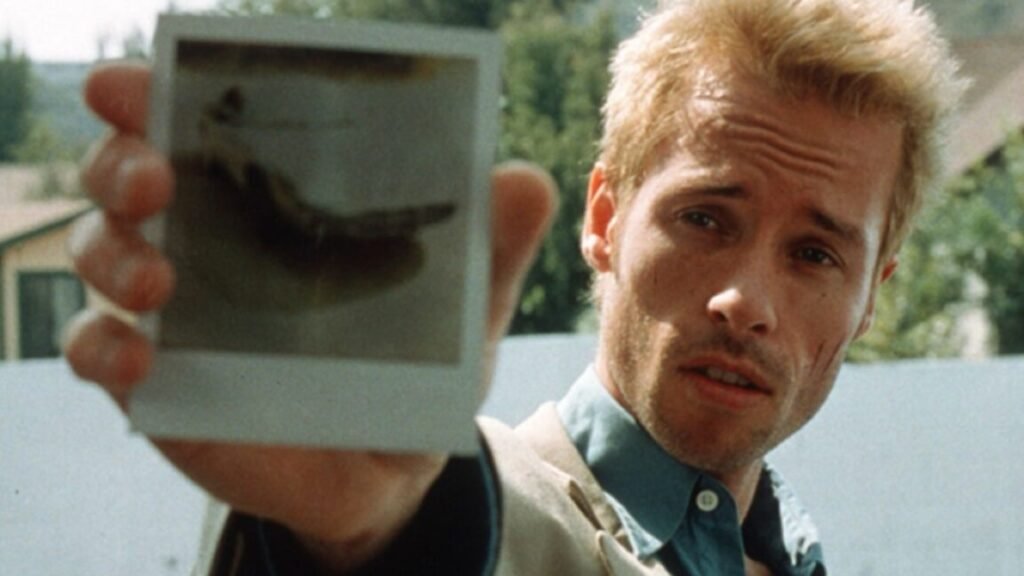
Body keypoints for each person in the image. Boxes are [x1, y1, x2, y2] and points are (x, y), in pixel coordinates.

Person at [64, 0, 966, 574]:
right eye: (705, 218)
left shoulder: (791, 552)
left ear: (872, 294)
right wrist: (365, 536)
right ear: (606, 220)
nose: (746, 300)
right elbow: (474, 534)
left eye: (815, 255)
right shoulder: (496, 512)